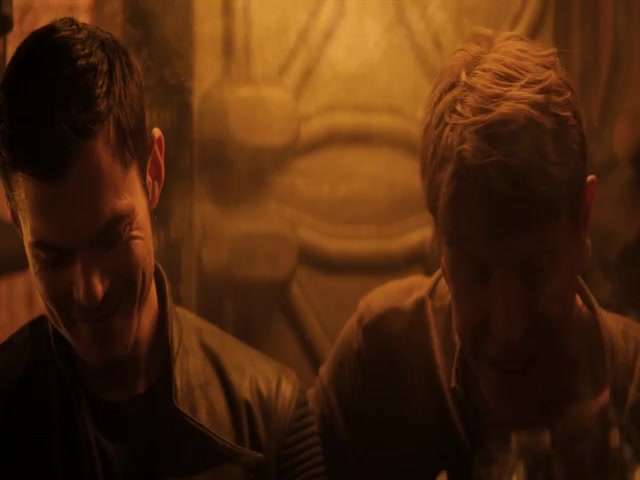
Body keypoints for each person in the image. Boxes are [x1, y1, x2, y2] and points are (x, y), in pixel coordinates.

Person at [0, 17, 326, 480]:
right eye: (53, 257)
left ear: (153, 172)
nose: (90, 291)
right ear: (17, 221)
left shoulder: (269, 415)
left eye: (111, 238)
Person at [310, 29, 640, 479]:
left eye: (535, 270)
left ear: (583, 218)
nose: (508, 327)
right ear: (440, 244)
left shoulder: (634, 388)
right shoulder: (383, 356)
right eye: (476, 274)